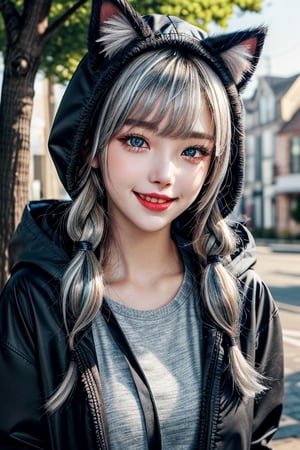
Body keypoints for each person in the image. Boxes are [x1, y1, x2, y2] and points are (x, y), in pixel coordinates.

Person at [0, 0, 283, 448]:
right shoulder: (35, 299)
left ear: (215, 164)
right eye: (137, 140)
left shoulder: (243, 297)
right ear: (91, 145)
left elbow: (261, 437)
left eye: (193, 150)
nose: (164, 174)